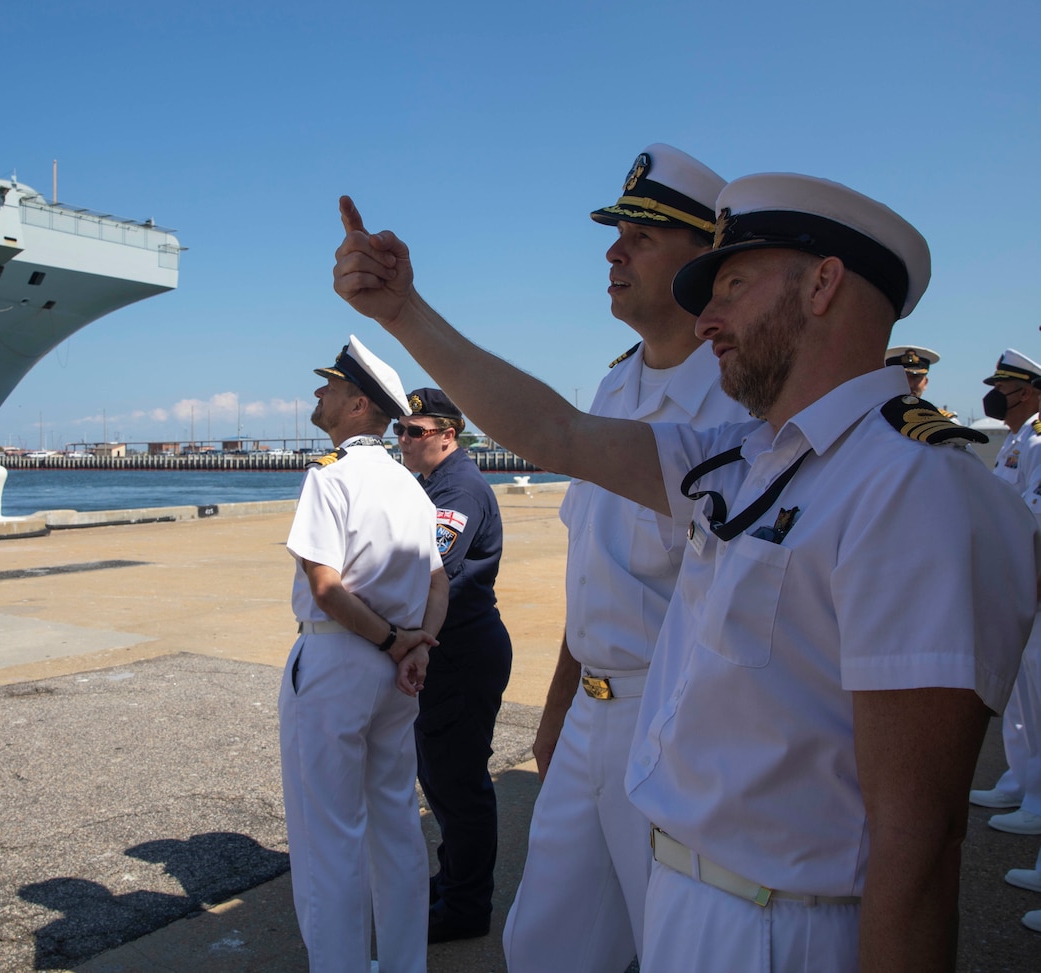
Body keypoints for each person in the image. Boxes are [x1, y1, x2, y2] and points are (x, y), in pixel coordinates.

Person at [333, 173, 1039, 972]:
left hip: (787, 929)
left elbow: (919, 843)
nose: (708, 319)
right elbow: (555, 429)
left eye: (733, 283)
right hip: (688, 894)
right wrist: (403, 313)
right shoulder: (743, 462)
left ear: (823, 283)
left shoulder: (916, 490)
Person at [500, 144, 746, 973]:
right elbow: (592, 573)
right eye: (617, 233)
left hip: (678, 719)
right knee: (544, 944)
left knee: (676, 943)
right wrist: (559, 704)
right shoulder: (615, 389)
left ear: (704, 258)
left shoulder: (734, 402)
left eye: (639, 234)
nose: (613, 252)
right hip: (591, 715)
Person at [279, 334, 448, 973]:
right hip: (398, 674)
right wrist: (417, 647)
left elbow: (325, 588)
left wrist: (392, 641)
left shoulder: (330, 478)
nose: (317, 394)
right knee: (396, 827)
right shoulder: (408, 483)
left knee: (330, 839)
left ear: (356, 405)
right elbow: (437, 581)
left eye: (329, 387)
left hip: (338, 662)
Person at [395, 387, 513, 944]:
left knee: (458, 783)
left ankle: (466, 907)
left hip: (462, 652)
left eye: (414, 431)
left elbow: (429, 567)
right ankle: (454, 883)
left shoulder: (458, 488)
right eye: (400, 429)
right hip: (454, 648)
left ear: (448, 435)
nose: (403, 440)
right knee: (443, 780)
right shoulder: (436, 484)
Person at [968, 350, 1041, 836]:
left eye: (1006, 387)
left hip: (1033, 579)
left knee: (1037, 692)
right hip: (1016, 578)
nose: (997, 396)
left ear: (1030, 391)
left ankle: (1037, 800)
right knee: (1020, 694)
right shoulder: (1018, 438)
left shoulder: (1038, 439)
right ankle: (1021, 779)